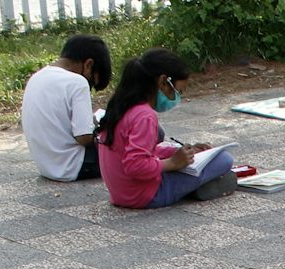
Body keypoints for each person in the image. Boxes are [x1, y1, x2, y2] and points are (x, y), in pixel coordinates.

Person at [97, 49, 239, 209]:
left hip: (121, 194)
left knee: (190, 161)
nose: (177, 97)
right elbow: (135, 166)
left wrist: (178, 152)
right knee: (224, 160)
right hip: (146, 195)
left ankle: (193, 187)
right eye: (178, 91)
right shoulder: (145, 116)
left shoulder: (121, 106)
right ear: (163, 82)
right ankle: (196, 188)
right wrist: (172, 163)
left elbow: (137, 152)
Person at [21, 34, 112, 182]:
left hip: (47, 167)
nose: (89, 87)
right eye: (92, 83)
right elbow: (84, 138)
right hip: (75, 165)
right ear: (88, 64)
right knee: (139, 139)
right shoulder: (78, 82)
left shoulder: (37, 77)